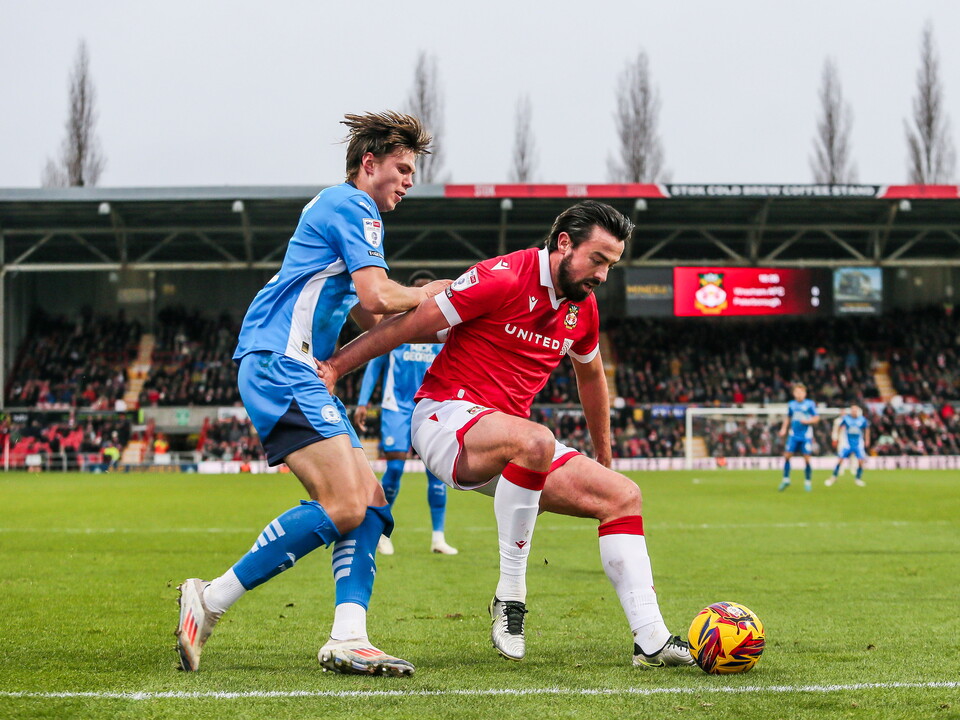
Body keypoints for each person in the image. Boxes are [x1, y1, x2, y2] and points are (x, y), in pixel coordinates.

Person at [319, 200, 694, 669]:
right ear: (564, 244)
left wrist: (604, 452)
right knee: (534, 440)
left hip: (511, 441)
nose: (602, 274)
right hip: (444, 418)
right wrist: (335, 366)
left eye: (611, 265)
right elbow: (407, 327)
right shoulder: (502, 276)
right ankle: (510, 598)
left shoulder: (583, 309)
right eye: (597, 260)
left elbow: (592, 377)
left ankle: (652, 639)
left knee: (622, 496)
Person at [175, 111, 450, 677]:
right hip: (280, 360)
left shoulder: (343, 209)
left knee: (371, 501)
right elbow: (379, 295)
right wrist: (438, 294)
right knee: (346, 503)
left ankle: (349, 636)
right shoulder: (355, 206)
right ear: (368, 164)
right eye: (401, 169)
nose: (408, 181)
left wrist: (421, 314)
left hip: (295, 366)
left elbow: (367, 308)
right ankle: (212, 599)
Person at [354, 270, 457, 556]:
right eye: (420, 291)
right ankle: (381, 534)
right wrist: (363, 402)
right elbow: (375, 363)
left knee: (436, 473)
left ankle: (438, 537)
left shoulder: (443, 332)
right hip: (396, 406)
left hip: (431, 404)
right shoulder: (397, 327)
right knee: (395, 467)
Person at [777, 382, 820, 492]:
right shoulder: (791, 404)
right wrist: (783, 429)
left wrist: (807, 421)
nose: (799, 394)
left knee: (806, 458)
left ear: (805, 393)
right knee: (787, 456)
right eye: (797, 392)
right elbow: (788, 417)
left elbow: (816, 418)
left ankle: (807, 481)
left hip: (805, 435)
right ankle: (786, 479)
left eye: (801, 392)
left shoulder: (810, 404)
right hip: (793, 434)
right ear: (794, 393)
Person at [827, 405, 870, 487]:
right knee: (840, 460)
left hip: (858, 444)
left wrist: (867, 440)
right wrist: (838, 437)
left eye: (855, 410)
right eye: (852, 410)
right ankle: (834, 477)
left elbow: (867, 429)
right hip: (847, 444)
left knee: (861, 462)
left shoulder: (862, 420)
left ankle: (858, 479)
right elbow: (839, 427)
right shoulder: (846, 419)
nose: (854, 412)